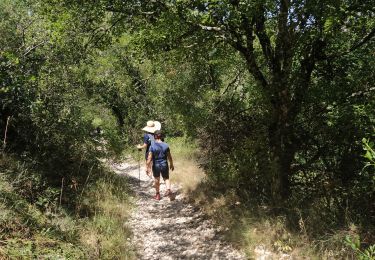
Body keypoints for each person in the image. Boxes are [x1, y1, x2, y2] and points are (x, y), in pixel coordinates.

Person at [146, 130, 174, 200]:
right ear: (161, 136)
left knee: (156, 179)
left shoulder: (152, 146)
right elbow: (169, 156)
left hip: (156, 165)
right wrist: (171, 164)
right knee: (166, 178)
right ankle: (168, 190)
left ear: (155, 136)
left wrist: (147, 167)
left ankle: (158, 195)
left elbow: (149, 158)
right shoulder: (166, 145)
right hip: (164, 164)